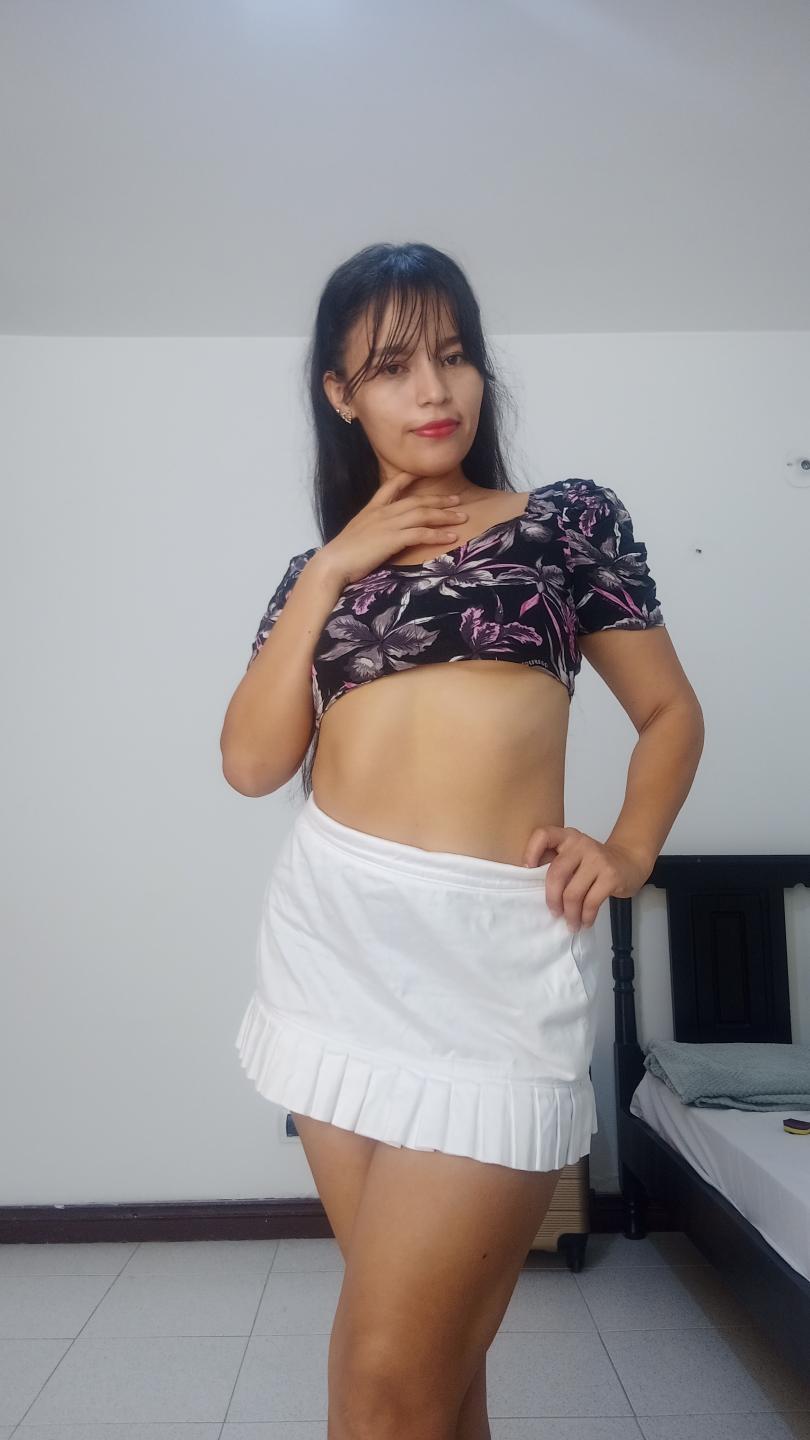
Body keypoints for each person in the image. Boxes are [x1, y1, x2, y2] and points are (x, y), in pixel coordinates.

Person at [220, 241, 704, 1440]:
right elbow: (251, 764)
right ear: (341, 392)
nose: (434, 389)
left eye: (454, 355)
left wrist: (630, 848)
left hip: (493, 962)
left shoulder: (565, 522)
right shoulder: (315, 575)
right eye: (392, 367)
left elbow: (669, 713)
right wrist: (331, 569)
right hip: (334, 940)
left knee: (385, 1381)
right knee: (431, 1380)